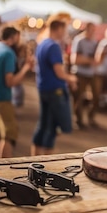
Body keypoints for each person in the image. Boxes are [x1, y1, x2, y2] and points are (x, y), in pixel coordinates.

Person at [0, 26, 34, 158]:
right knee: (8, 136)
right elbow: (10, 82)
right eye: (18, 36)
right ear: (13, 37)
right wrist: (26, 68)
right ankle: (4, 171)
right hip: (1, 98)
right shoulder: (8, 53)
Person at [32, 19, 77, 155]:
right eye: (64, 29)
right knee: (52, 128)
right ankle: (46, 163)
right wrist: (71, 78)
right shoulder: (53, 46)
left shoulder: (42, 44)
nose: (65, 33)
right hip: (54, 90)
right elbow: (59, 71)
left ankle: (34, 158)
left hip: (43, 87)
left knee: (43, 124)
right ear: (58, 29)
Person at [70, 22, 99, 128]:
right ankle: (79, 120)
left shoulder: (94, 42)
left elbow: (95, 60)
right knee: (78, 97)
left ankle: (91, 117)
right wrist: (89, 60)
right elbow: (75, 59)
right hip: (80, 73)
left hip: (91, 73)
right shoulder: (79, 41)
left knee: (96, 96)